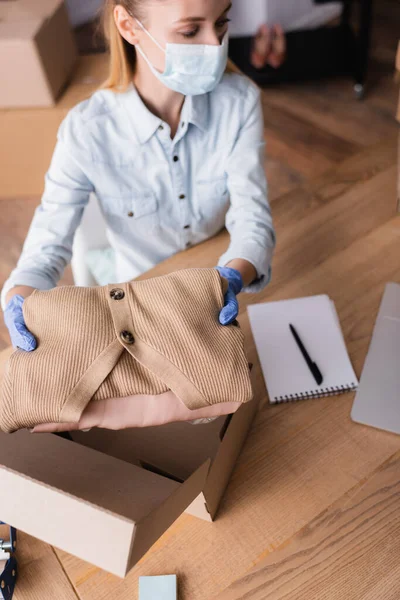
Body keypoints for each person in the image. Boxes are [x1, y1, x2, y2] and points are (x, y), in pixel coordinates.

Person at [1, 0, 276, 352]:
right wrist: (21, 297)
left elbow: (253, 216)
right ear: (129, 27)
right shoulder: (86, 131)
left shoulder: (240, 103)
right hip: (138, 298)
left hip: (217, 286)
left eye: (221, 23)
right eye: (190, 31)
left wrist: (231, 278)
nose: (214, 44)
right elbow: (46, 245)